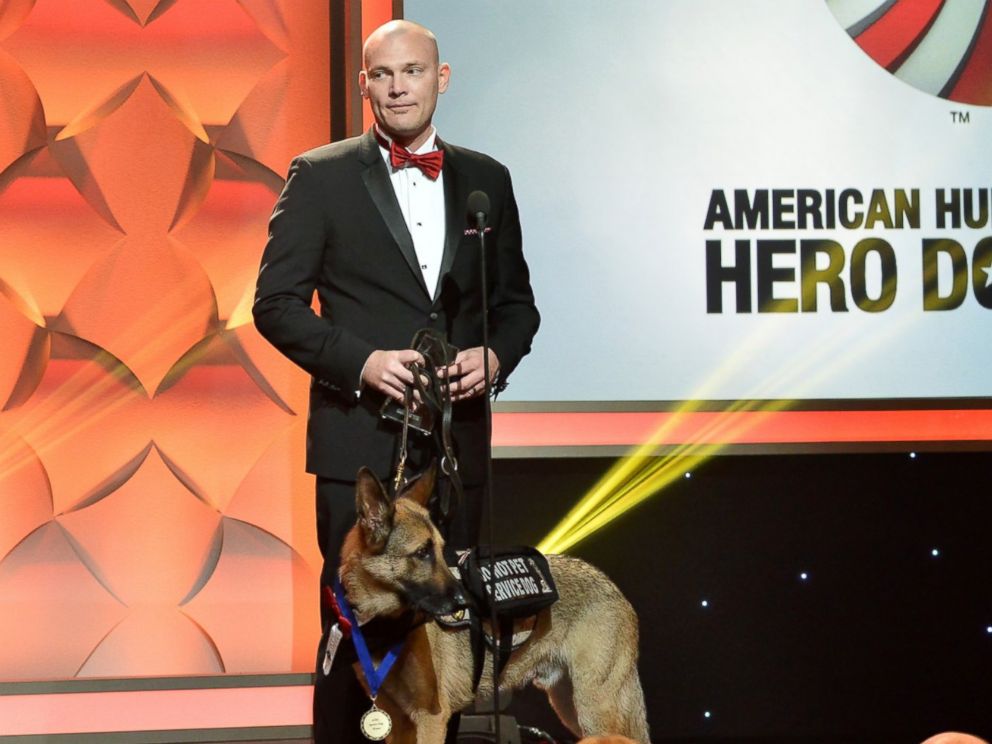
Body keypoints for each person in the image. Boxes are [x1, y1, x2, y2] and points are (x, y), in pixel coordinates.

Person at [252, 19, 539, 744]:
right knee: (355, 635)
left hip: (454, 447)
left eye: (412, 71)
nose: (398, 85)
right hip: (361, 446)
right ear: (364, 86)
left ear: (440, 79)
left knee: (450, 631)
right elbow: (274, 304)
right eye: (383, 74)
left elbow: (516, 307)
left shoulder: (486, 180)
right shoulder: (319, 175)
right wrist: (363, 362)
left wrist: (494, 358)